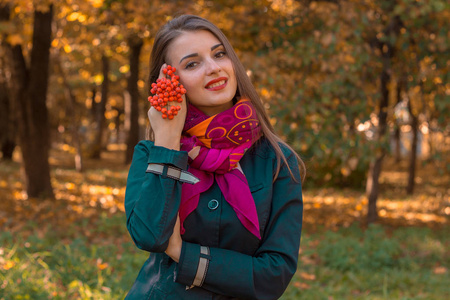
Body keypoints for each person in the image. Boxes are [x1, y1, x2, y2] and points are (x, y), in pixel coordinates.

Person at [124, 14, 305, 300]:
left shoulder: (277, 161)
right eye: (192, 63)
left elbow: (274, 275)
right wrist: (169, 140)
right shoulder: (151, 153)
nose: (214, 68)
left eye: (219, 54)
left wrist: (182, 254)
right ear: (170, 80)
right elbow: (149, 235)